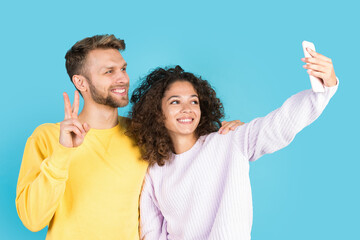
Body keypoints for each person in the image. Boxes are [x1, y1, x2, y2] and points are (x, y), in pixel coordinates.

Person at [15, 34, 241, 240]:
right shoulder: (47, 136)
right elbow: (32, 220)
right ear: (80, 82)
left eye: (123, 69)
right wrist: (63, 152)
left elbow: (189, 159)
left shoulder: (144, 134)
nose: (122, 78)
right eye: (109, 71)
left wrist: (224, 131)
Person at [128, 49, 338, 239]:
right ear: (156, 113)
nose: (187, 108)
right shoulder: (154, 172)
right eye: (175, 101)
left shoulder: (228, 141)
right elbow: (152, 233)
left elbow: (279, 125)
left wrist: (324, 88)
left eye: (194, 101)